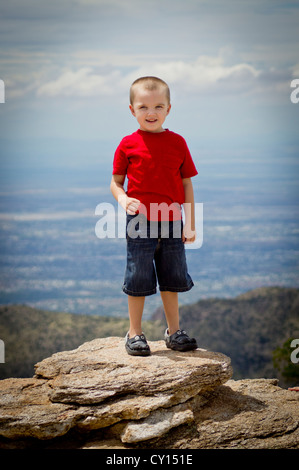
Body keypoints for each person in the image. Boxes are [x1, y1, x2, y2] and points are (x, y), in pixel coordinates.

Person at [110, 76, 198, 356]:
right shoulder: (127, 144)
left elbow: (186, 184)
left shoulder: (178, 143)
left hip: (172, 220)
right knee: (138, 278)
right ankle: (134, 333)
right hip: (139, 222)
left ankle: (174, 332)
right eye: (143, 107)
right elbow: (115, 182)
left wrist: (191, 222)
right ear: (131, 109)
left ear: (169, 109)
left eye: (158, 106)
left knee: (171, 277)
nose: (151, 113)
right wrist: (123, 199)